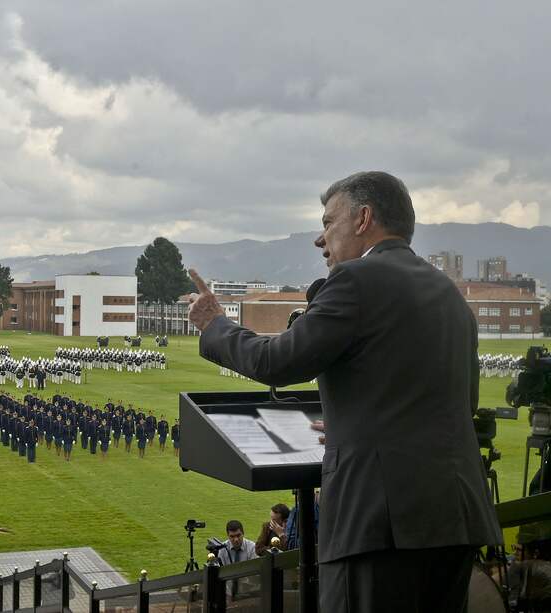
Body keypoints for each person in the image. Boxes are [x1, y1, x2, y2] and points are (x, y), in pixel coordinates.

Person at [188, 171, 501, 613]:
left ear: (363, 218)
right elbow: (453, 405)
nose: (320, 239)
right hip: (455, 518)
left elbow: (276, 361)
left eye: (328, 222)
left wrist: (215, 325)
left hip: (379, 522)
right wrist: (357, 422)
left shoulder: (356, 280)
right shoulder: (448, 294)